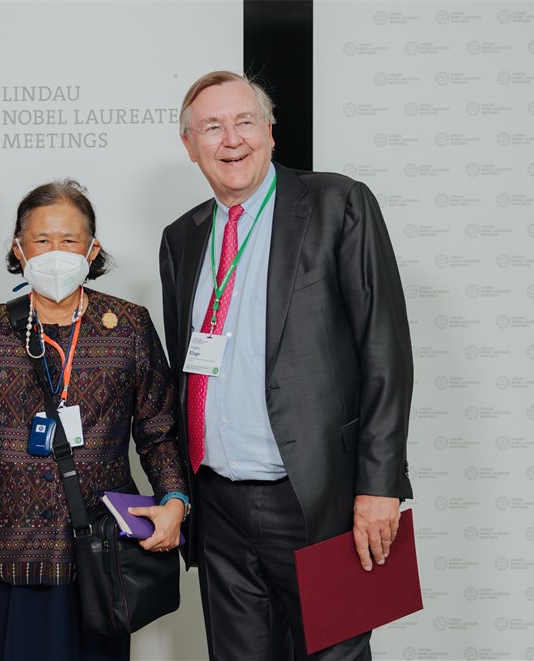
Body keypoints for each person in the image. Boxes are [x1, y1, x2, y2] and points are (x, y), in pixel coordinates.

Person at [159, 71, 414, 660]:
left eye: (244, 122)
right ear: (190, 146)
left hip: (318, 497)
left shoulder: (337, 202)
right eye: (212, 128)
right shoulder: (183, 238)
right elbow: (183, 373)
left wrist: (380, 486)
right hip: (218, 505)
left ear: (270, 131)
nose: (231, 140)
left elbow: (385, 351)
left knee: (335, 654)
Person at [0, 179, 189, 661]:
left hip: (97, 557)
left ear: (92, 249)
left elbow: (158, 431)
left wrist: (175, 499)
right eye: (42, 240)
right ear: (19, 248)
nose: (57, 251)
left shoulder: (128, 325)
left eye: (70, 240)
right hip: (2, 556)